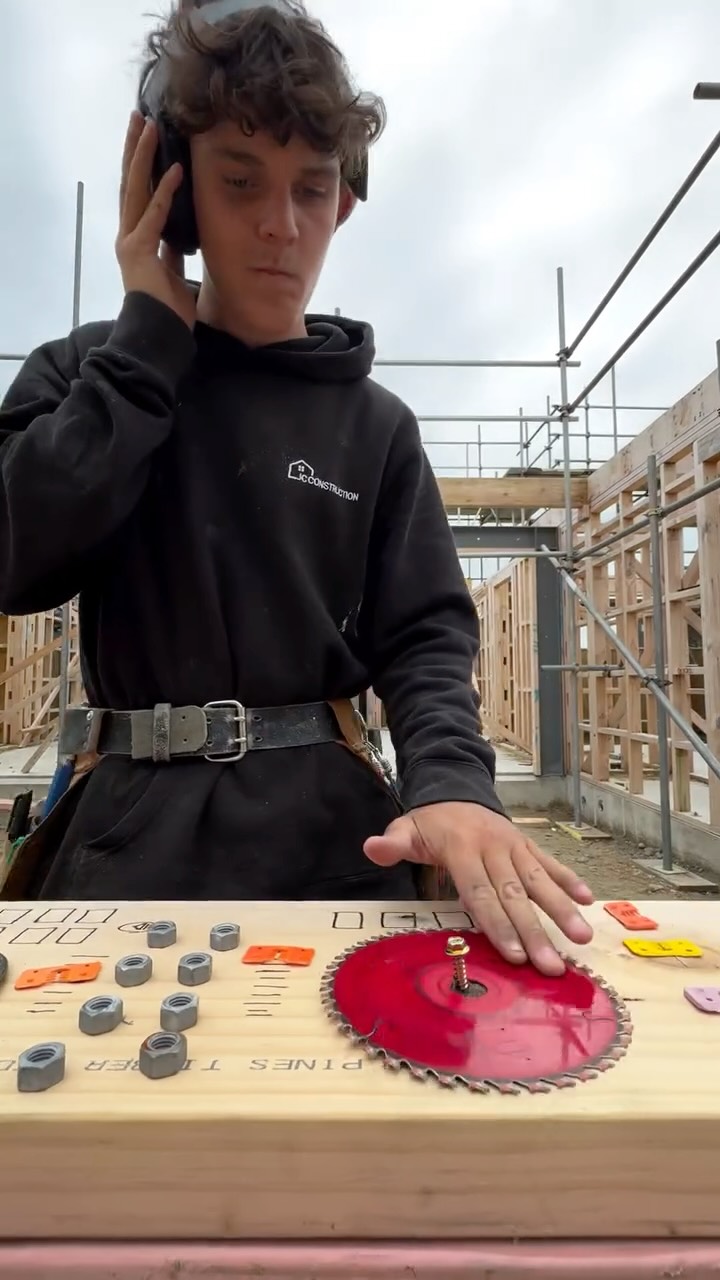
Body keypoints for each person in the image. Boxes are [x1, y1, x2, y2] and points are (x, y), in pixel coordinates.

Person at [0, 0, 593, 975]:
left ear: (344, 204)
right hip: (124, 844)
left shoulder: (377, 427)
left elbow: (426, 635)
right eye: (240, 184)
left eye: (311, 191)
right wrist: (147, 344)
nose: (282, 226)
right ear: (178, 196)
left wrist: (450, 783)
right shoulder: (88, 379)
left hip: (333, 849)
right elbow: (18, 557)